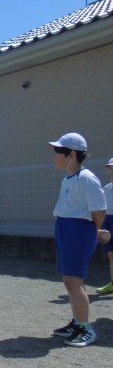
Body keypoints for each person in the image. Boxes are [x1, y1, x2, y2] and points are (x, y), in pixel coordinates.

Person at [49, 133, 107, 347]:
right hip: (66, 229)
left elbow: (99, 210)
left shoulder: (86, 178)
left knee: (74, 281)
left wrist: (95, 231)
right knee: (70, 281)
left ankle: (85, 328)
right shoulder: (68, 178)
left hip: (79, 231)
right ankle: (77, 322)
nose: (54, 155)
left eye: (58, 151)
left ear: (72, 154)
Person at [95, 157, 113, 294]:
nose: (111, 171)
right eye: (110, 168)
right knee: (111, 254)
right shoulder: (106, 188)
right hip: (108, 220)